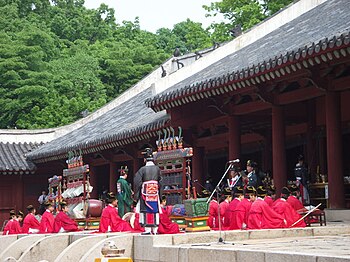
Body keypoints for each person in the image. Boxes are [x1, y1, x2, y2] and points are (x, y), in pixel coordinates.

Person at [134, 148, 162, 235]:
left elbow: (137, 182)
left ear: (145, 159)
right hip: (154, 192)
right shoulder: (157, 169)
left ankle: (147, 230)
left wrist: (136, 195)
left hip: (145, 193)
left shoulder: (142, 169)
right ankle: (155, 229)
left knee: (145, 209)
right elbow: (161, 182)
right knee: (155, 209)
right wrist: (160, 194)